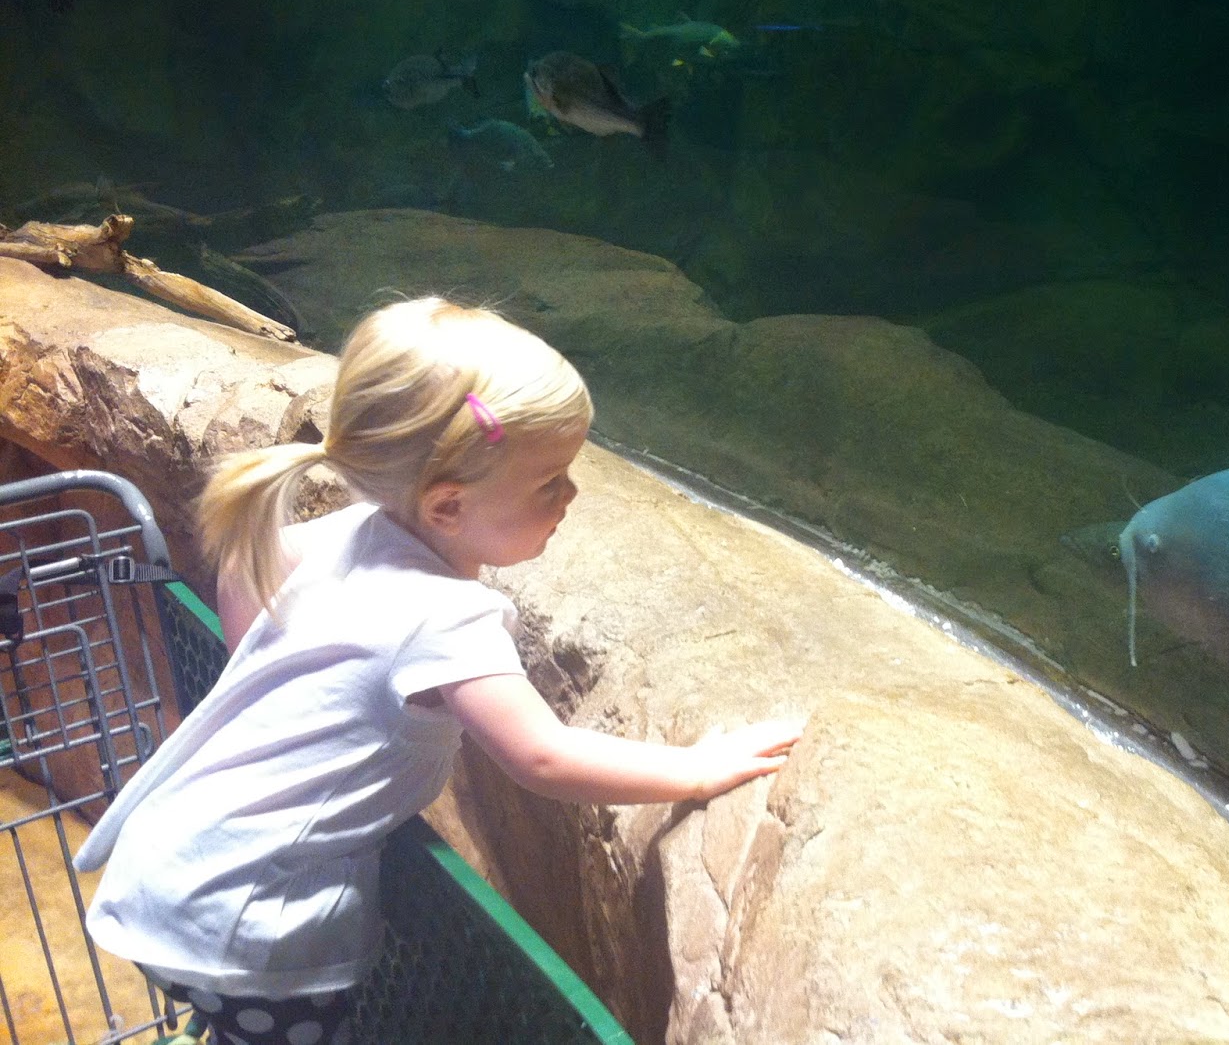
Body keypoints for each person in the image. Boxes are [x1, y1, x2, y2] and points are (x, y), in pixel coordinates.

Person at [73, 296, 804, 1045]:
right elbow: (541, 755)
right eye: (550, 481)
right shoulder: (449, 617)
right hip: (243, 925)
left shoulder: (339, 534)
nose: (572, 495)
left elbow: (241, 570)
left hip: (170, 868)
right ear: (447, 506)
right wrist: (697, 771)